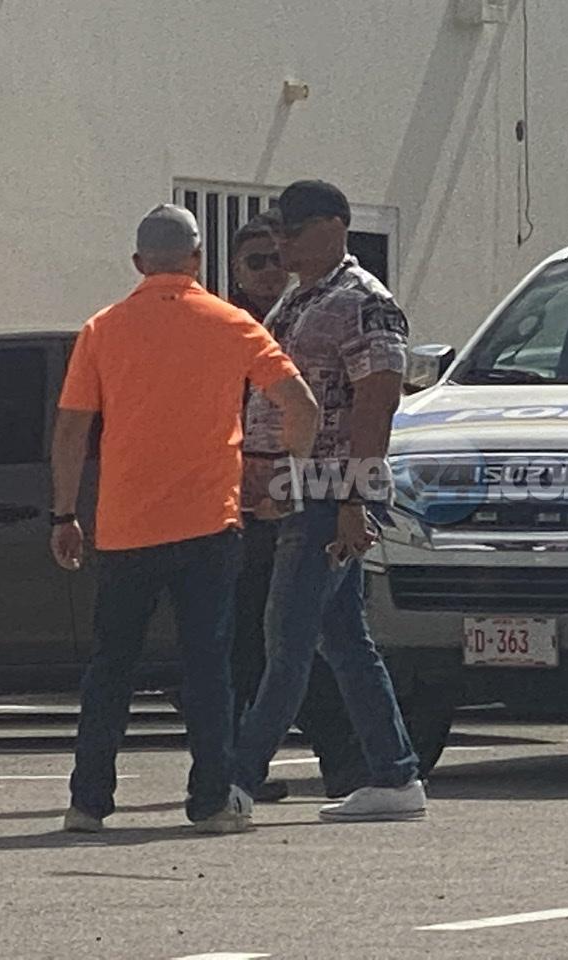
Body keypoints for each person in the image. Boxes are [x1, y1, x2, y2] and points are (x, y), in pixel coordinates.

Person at [50, 204, 317, 834]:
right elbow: (300, 403)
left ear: (138, 262)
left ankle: (88, 802)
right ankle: (211, 800)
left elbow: (71, 429)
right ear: (197, 260)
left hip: (126, 525)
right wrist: (289, 479)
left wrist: (64, 512)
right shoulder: (232, 323)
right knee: (208, 668)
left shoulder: (102, 328)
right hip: (208, 523)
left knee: (111, 668)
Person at [231, 180, 424, 824]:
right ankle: (394, 774)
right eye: (276, 233)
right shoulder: (300, 299)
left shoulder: (364, 302)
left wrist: (354, 498)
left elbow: (378, 401)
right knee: (342, 640)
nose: (281, 245)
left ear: (335, 226)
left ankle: (236, 779)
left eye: (292, 231)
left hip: (328, 492)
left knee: (286, 637)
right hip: (298, 493)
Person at [227, 213, 367, 804]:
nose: (269, 269)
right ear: (235, 271)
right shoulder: (229, 328)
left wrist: (353, 493)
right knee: (251, 643)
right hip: (241, 504)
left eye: (275, 256)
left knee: (310, 640)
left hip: (306, 496)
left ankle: (350, 764)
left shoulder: (311, 315)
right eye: (255, 261)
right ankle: (238, 764)